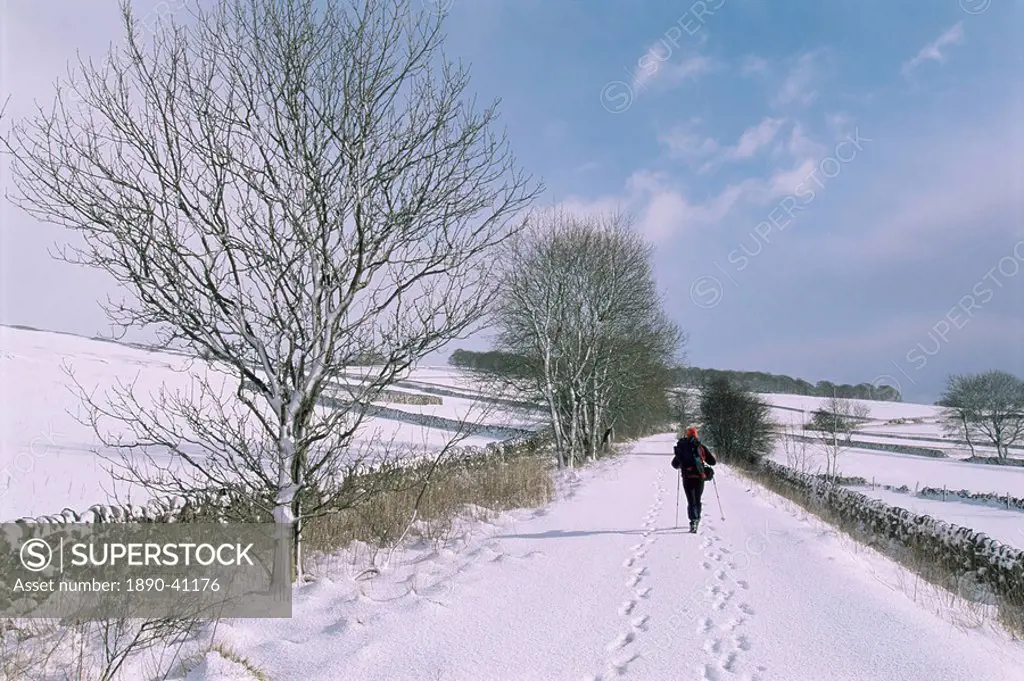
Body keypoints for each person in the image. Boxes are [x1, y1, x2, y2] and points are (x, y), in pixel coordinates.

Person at [671, 426, 716, 532]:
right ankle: (697, 518)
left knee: (691, 501)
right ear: (696, 435)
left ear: (687, 435)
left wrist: (682, 463)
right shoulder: (701, 447)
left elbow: (674, 464)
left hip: (687, 478)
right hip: (699, 478)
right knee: (698, 500)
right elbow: (713, 462)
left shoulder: (682, 447)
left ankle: (693, 522)